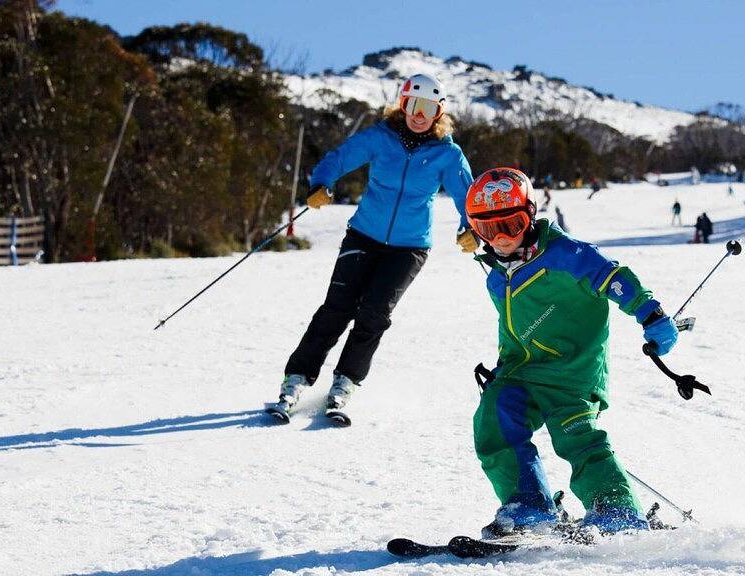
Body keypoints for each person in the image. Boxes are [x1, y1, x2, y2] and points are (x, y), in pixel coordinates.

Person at [464, 167, 679, 537]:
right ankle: (528, 506)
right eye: (487, 229)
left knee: (576, 437)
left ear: (530, 214)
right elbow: (513, 329)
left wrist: (650, 313)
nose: (500, 239)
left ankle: (616, 510)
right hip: (522, 372)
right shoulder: (496, 276)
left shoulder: (566, 254)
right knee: (493, 420)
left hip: (573, 375)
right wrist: (502, 368)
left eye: (511, 225)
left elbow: (614, 277)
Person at [272, 74, 478, 421]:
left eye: (428, 107)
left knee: (374, 315)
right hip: (363, 236)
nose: (419, 113)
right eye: (413, 104)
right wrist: (321, 183)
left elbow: (467, 197)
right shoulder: (381, 137)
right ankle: (295, 381)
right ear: (403, 104)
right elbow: (339, 158)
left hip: (409, 248)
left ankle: (344, 384)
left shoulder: (448, 154)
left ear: (438, 112)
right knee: (336, 309)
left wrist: (469, 228)